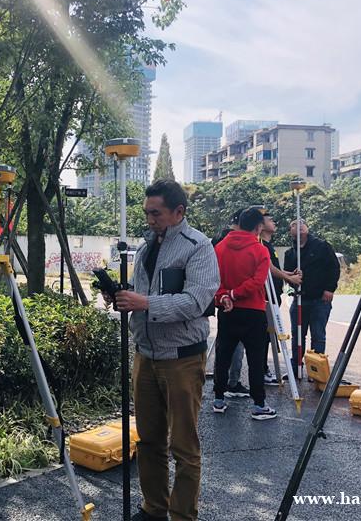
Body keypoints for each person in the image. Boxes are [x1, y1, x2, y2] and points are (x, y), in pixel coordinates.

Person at [111, 179, 219, 521]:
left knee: (184, 447)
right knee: (148, 440)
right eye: (146, 213)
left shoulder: (198, 247)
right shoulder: (145, 247)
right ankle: (153, 508)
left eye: (155, 213)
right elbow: (142, 294)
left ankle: (182, 515)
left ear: (178, 212)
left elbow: (196, 301)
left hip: (182, 358)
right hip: (145, 355)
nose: (150, 219)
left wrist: (144, 302)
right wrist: (124, 298)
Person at [211, 207, 276, 421]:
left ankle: (219, 400)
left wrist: (225, 296)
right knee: (256, 358)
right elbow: (258, 282)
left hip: (227, 309)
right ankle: (259, 405)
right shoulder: (260, 250)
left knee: (223, 355)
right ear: (258, 227)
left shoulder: (219, 248)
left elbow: (213, 280)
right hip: (253, 310)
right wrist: (235, 293)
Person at [283, 219, 340, 375]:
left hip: (320, 299)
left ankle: (316, 370)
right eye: (294, 224)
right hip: (300, 298)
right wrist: (294, 280)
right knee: (297, 335)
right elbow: (287, 275)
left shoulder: (322, 246)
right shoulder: (290, 253)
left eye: (302, 223)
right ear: (290, 231)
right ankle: (296, 368)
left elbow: (334, 268)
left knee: (318, 335)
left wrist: (329, 289)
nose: (299, 226)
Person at [258, 209, 302, 385]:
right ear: (261, 225)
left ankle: (265, 369)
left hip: (274, 296)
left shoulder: (269, 245)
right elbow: (268, 268)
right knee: (264, 336)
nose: (274, 222)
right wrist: (289, 278)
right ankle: (262, 370)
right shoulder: (260, 244)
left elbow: (274, 268)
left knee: (270, 337)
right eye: (270, 220)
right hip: (266, 298)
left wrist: (288, 273)